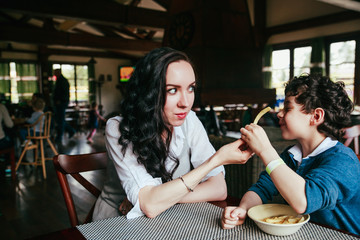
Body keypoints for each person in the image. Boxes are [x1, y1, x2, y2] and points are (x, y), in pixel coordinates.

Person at [92, 47, 253, 221]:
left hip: (169, 218)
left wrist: (162, 199)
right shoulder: (118, 128)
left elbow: (219, 189)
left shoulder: (189, 120)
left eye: (190, 88)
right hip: (115, 223)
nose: (185, 103)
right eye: (173, 90)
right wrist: (216, 159)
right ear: (149, 93)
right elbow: (150, 207)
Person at [221, 74, 360, 235]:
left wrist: (266, 150)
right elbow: (262, 189)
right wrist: (243, 209)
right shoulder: (293, 155)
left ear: (316, 116)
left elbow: (304, 201)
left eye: (287, 108)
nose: (279, 114)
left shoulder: (343, 161)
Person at [52, 69, 76, 142]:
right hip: (58, 103)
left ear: (58, 72)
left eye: (55, 72)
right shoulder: (59, 80)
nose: (54, 74)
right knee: (60, 120)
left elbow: (65, 93)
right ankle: (71, 130)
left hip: (61, 103)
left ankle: (59, 137)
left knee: (60, 120)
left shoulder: (63, 81)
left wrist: (60, 101)